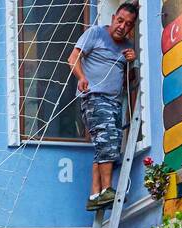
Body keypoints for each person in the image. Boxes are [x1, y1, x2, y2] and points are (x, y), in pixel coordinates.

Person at [68, 1, 139, 210]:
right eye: (120, 21)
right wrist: (81, 78)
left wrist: (131, 61)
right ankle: (107, 189)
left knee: (103, 145)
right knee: (107, 142)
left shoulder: (127, 47)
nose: (122, 27)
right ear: (112, 18)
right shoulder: (96, 34)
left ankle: (95, 195)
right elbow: (72, 58)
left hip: (114, 101)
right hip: (94, 97)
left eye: (128, 24)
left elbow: (127, 80)